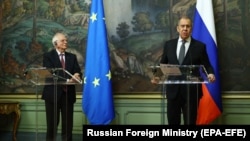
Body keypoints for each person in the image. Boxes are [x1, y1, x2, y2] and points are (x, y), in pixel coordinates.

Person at [151, 16, 216, 125]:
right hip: (173, 92)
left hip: (191, 92)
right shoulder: (169, 45)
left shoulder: (200, 47)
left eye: (188, 26)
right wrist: (157, 76)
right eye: (182, 26)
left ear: (191, 29)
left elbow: (207, 65)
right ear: (178, 28)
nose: (185, 28)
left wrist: (210, 73)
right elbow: (162, 64)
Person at [42, 32, 82, 141]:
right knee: (52, 125)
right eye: (63, 40)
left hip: (68, 95)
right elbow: (50, 74)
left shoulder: (72, 57)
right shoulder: (48, 56)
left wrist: (77, 75)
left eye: (66, 40)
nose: (66, 42)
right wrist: (68, 80)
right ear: (55, 43)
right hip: (52, 95)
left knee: (68, 125)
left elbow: (77, 70)